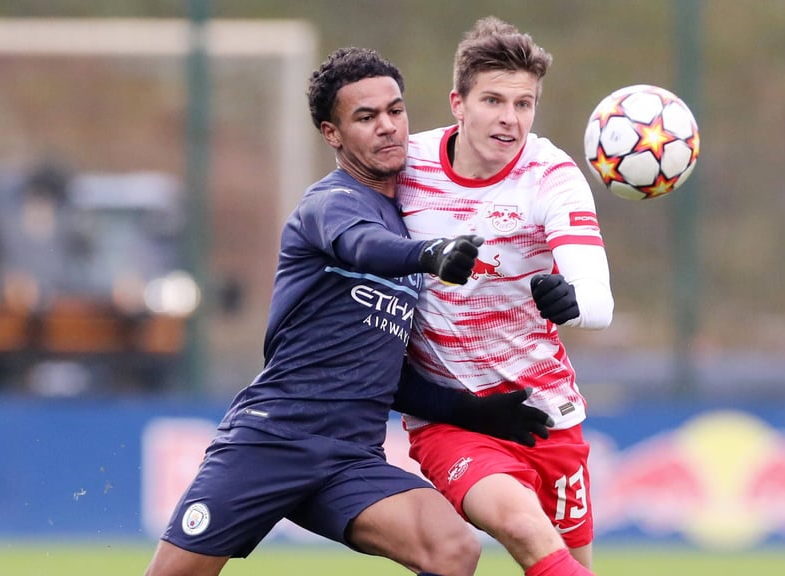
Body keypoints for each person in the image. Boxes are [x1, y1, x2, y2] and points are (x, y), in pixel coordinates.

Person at [144, 46, 552, 576]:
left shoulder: (409, 219)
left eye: (395, 110)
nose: (387, 126)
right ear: (331, 133)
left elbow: (385, 376)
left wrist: (473, 412)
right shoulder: (331, 203)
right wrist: (429, 254)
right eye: (365, 116)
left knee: (453, 548)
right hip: (273, 440)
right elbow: (362, 246)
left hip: (350, 458)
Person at [398, 17, 614, 576]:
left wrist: (572, 301)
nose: (509, 119)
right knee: (522, 527)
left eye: (524, 104)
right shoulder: (407, 167)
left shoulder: (552, 175)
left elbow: (598, 299)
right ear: (458, 103)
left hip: (546, 413)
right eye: (493, 100)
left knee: (569, 561)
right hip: (454, 418)